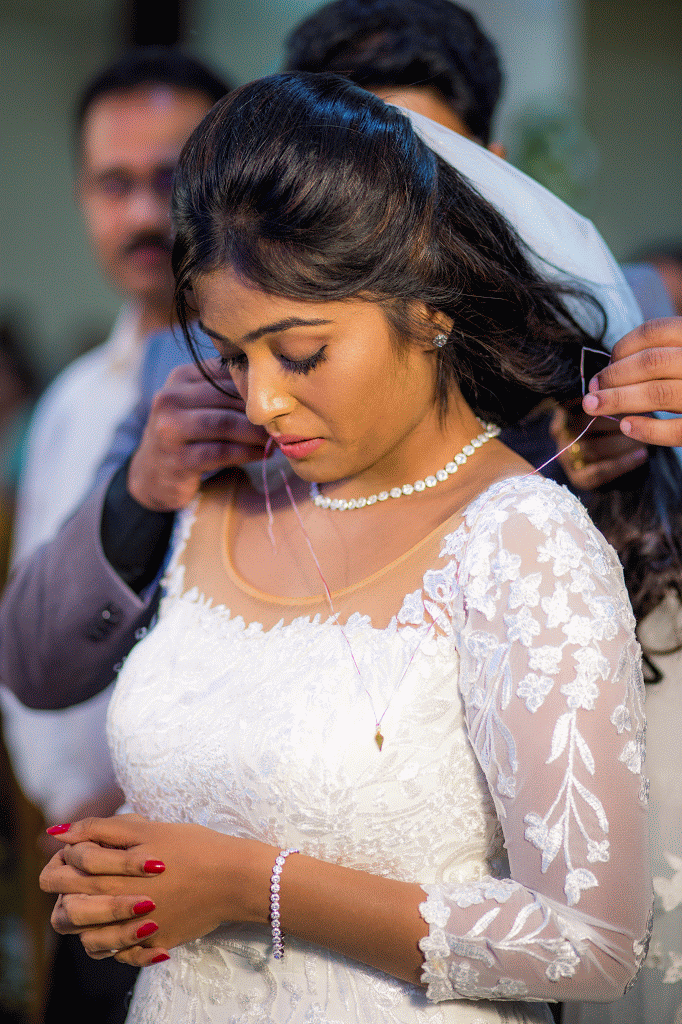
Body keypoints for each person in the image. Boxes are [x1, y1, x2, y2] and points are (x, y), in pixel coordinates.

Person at [39, 73, 652, 1024]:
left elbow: (593, 942)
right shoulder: (218, 500)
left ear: (429, 304)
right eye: (233, 356)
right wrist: (116, 874)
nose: (261, 402)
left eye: (300, 354)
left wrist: (249, 886)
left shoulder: (522, 543)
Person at [0, 47, 230, 1024]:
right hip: (72, 865)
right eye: (113, 183)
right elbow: (29, 617)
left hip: (208, 874)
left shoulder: (270, 389)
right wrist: (59, 803)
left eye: (170, 179)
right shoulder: (67, 404)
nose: (142, 214)